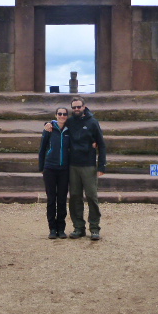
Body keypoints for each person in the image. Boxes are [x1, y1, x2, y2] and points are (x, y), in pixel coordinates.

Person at [45, 96, 106, 241]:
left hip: (88, 165)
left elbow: (102, 144)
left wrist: (101, 165)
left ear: (84, 107)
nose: (77, 109)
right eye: (74, 107)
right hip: (72, 165)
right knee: (75, 197)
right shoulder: (70, 121)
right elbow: (57, 122)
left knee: (91, 196)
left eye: (79, 106)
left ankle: (94, 228)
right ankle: (79, 227)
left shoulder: (93, 122)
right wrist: (47, 123)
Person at [38, 107, 71, 239]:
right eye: (59, 114)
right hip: (50, 168)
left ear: (67, 116)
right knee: (51, 199)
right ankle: (52, 228)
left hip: (64, 169)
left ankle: (61, 228)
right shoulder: (49, 129)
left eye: (64, 114)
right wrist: (42, 167)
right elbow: (42, 149)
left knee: (62, 199)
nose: (62, 116)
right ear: (56, 115)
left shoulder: (70, 129)